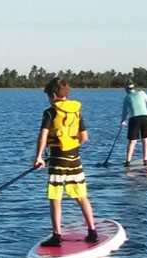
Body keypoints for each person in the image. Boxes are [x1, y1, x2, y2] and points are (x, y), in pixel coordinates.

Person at [32, 77, 97, 246]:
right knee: (81, 196)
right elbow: (84, 137)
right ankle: (92, 232)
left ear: (53, 95)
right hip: (74, 157)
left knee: (55, 198)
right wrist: (69, 146)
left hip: (57, 158)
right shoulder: (76, 111)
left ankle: (56, 236)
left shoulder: (50, 112)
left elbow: (43, 135)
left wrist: (39, 157)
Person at [121, 82, 147, 165]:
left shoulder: (127, 98)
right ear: (133, 87)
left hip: (134, 119)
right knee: (146, 140)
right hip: (145, 118)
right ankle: (145, 160)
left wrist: (122, 121)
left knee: (132, 141)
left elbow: (124, 112)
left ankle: (128, 161)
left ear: (125, 89)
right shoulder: (141, 93)